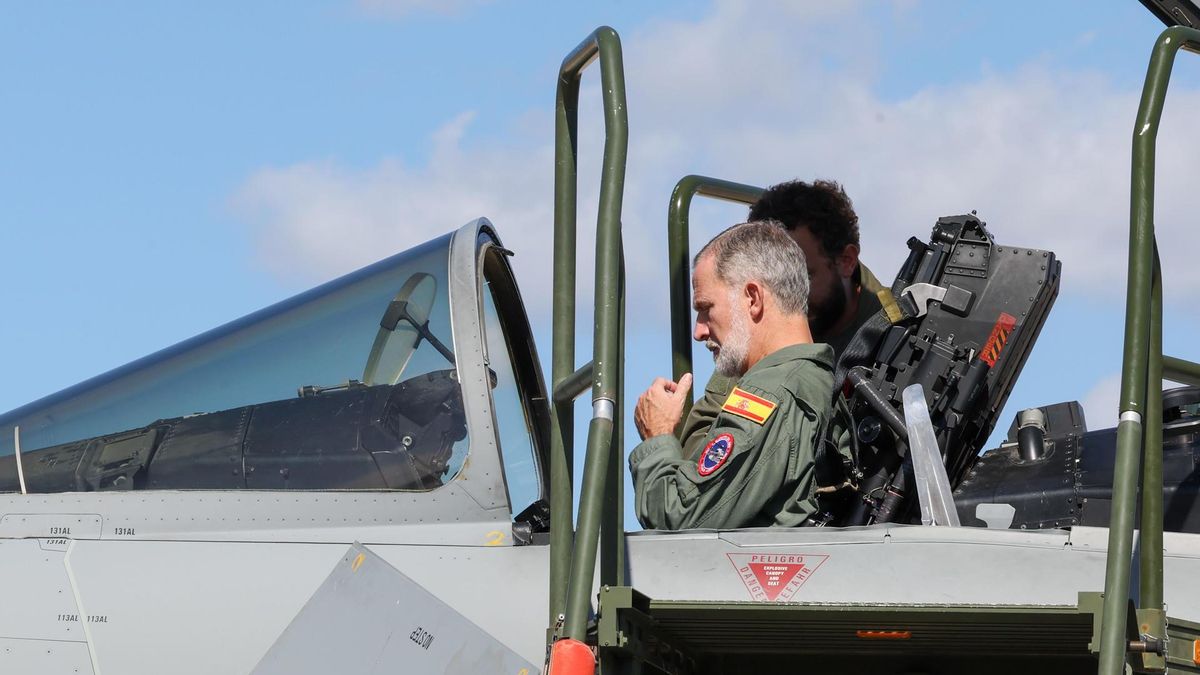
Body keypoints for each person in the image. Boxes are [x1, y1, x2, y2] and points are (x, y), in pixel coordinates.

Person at [629, 221, 842, 530]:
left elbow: (679, 520)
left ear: (753, 298)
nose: (699, 331)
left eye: (706, 308)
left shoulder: (771, 395)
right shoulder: (814, 381)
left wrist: (658, 436)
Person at [678, 179, 883, 456]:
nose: (786, 292)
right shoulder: (756, 327)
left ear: (846, 261)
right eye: (775, 278)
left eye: (804, 275)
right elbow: (701, 441)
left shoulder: (894, 337)